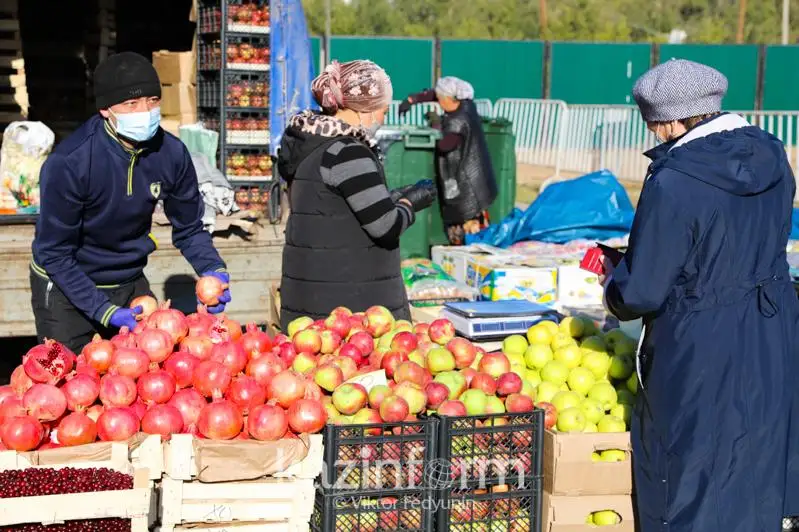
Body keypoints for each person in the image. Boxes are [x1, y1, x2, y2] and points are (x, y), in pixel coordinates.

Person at [601, 59, 799, 532]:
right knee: (761, 454)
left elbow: (644, 290)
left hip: (699, 339)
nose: (652, 132)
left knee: (691, 468)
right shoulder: (773, 154)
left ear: (672, 118)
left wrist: (614, 283)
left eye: (651, 122)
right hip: (772, 327)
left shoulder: (674, 180)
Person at [30, 52, 230, 353]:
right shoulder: (69, 163)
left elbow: (189, 229)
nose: (145, 111)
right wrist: (104, 311)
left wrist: (213, 269)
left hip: (129, 284)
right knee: (60, 378)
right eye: (131, 103)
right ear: (106, 109)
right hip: (64, 290)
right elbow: (54, 254)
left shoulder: (172, 154)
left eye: (152, 100)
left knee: (142, 379)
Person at [277, 60, 436, 329]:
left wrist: (394, 196)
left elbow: (339, 208)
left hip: (313, 302)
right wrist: (411, 203)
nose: (383, 119)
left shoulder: (311, 144)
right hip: (350, 311)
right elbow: (385, 226)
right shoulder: (347, 152)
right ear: (366, 109)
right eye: (384, 111)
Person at [398, 76, 497, 245]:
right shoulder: (465, 106)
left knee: (467, 237)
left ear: (451, 99)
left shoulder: (458, 120)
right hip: (475, 185)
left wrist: (435, 123)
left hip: (466, 189)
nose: (438, 102)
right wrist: (412, 99)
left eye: (441, 99)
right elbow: (438, 95)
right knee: (476, 234)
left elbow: (445, 145)